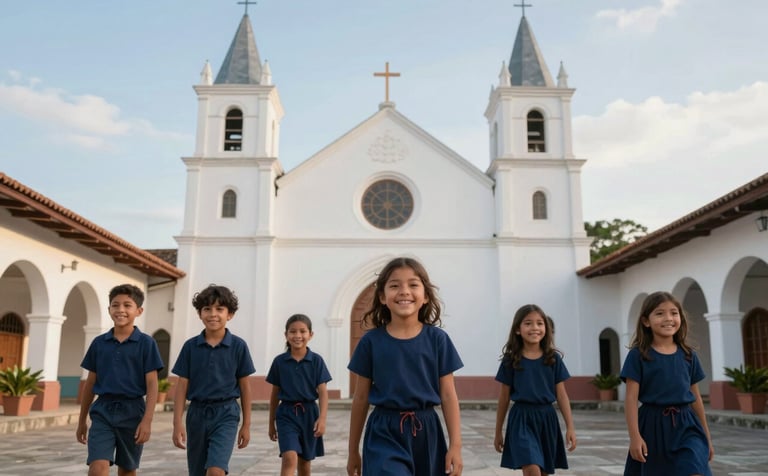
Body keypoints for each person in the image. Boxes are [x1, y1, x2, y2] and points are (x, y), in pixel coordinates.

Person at [347, 256, 464, 476]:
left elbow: (448, 395)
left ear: (426, 296)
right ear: (382, 297)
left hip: (426, 432)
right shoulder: (370, 342)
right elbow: (361, 398)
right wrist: (353, 450)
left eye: (413, 284)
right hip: (383, 431)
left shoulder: (438, 340)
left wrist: (455, 446)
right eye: (394, 285)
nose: (404, 291)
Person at [621, 291, 713, 476]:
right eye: (660, 313)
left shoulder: (689, 355)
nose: (668, 318)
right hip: (652, 426)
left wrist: (706, 436)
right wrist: (635, 437)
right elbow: (631, 399)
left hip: (687, 424)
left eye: (674, 312)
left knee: (693, 469)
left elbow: (696, 398)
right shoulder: (638, 355)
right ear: (646, 321)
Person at [76, 284, 164, 476]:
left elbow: (152, 384)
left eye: (127, 305)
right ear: (109, 310)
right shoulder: (99, 343)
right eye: (115, 305)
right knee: (97, 467)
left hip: (133, 413)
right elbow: (90, 383)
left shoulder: (147, 343)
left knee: (127, 470)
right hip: (102, 412)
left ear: (138, 311)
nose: (120, 310)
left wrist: (147, 420)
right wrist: (82, 420)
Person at [171, 284, 255, 476]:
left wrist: (247, 425)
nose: (213, 314)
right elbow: (182, 386)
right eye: (207, 309)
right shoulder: (190, 347)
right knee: (198, 472)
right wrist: (177, 423)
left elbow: (245, 387)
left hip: (226, 414)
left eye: (219, 309)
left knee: (215, 470)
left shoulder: (238, 346)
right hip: (197, 415)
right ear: (200, 314)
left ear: (230, 314)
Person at [494, 304, 576, 476]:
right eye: (528, 323)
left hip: (547, 419)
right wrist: (498, 431)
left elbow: (562, 395)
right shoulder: (511, 360)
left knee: (543, 471)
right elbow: (503, 398)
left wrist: (570, 427)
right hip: (521, 419)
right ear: (518, 329)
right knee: (532, 468)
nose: (535, 328)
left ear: (546, 328)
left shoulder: (553, 359)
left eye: (540, 323)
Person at [267, 314, 332, 476]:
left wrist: (322, 419)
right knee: (289, 457)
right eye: (293, 332)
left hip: (309, 415)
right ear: (286, 335)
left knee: (304, 463)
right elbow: (274, 395)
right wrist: (270, 423)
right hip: (286, 414)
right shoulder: (279, 362)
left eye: (302, 331)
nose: (297, 336)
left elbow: (323, 393)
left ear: (310, 334)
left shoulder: (316, 361)